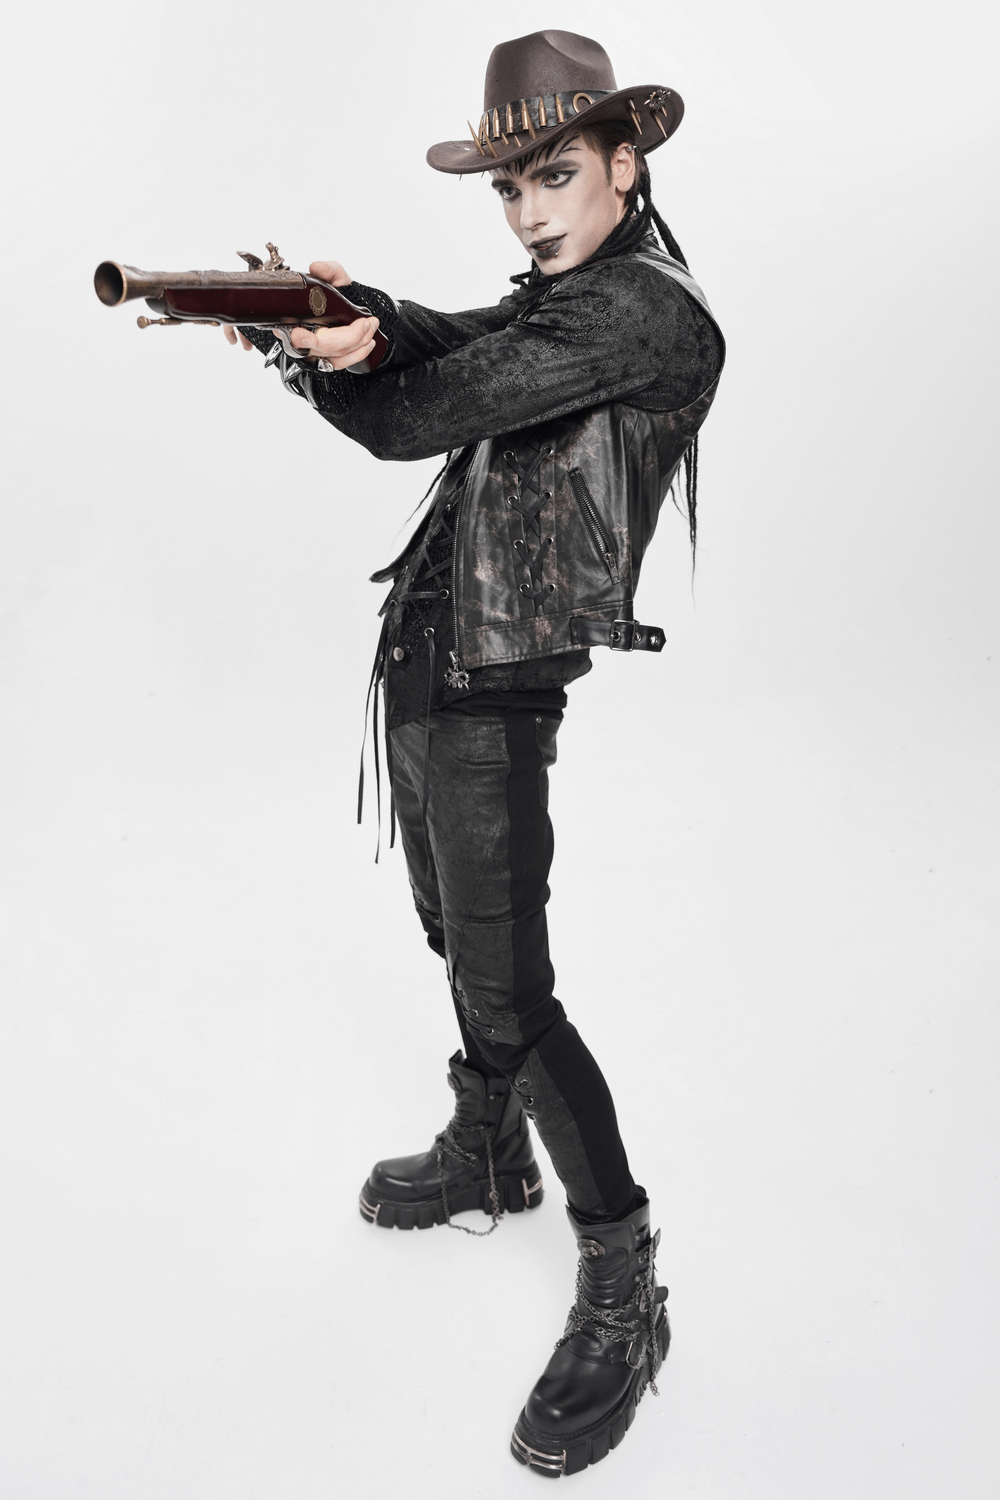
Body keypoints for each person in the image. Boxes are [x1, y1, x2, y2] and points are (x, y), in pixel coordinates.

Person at [225, 29, 725, 1478]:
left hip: (496, 687)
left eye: (553, 177)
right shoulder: (572, 298)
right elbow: (453, 341)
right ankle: (489, 1151)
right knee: (457, 935)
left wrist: (313, 353)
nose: (526, 211)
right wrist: (337, 307)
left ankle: (625, 1277)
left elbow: (418, 412)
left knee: (512, 990)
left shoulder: (643, 316)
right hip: (434, 663)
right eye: (509, 187)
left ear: (628, 166)